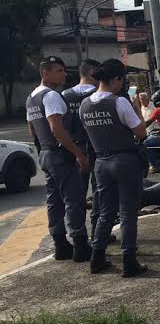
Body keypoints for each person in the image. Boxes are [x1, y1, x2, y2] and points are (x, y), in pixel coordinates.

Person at [80, 58, 148, 277]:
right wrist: (137, 109)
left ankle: (97, 258)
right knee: (128, 212)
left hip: (100, 162)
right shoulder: (119, 102)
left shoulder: (85, 104)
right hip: (124, 161)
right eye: (122, 80)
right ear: (116, 79)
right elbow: (141, 133)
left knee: (105, 212)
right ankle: (129, 261)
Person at [26, 56, 91, 262]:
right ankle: (80, 244)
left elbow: (32, 130)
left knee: (54, 201)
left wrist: (43, 149)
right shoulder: (51, 96)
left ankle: (60, 244)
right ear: (45, 73)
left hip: (45, 153)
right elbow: (56, 127)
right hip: (60, 153)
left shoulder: (31, 97)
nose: (64, 74)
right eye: (59, 70)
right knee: (74, 199)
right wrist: (78, 153)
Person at [62, 59, 102, 240]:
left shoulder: (64, 95)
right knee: (99, 192)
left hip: (73, 150)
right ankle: (98, 233)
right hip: (97, 148)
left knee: (76, 196)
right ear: (92, 72)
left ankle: (79, 238)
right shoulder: (98, 95)